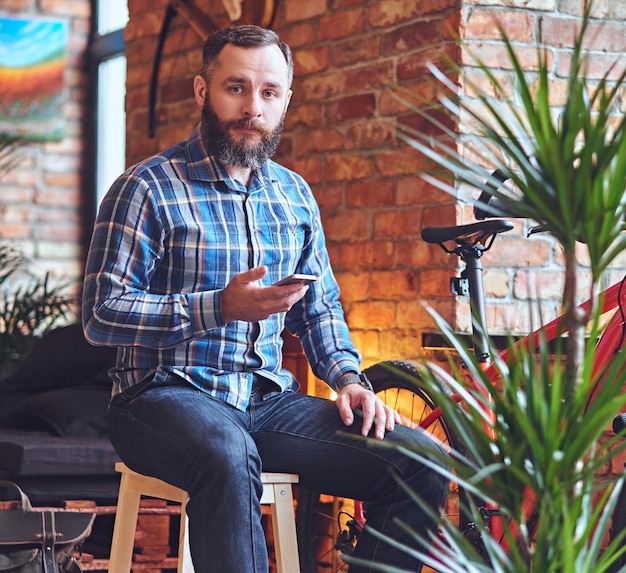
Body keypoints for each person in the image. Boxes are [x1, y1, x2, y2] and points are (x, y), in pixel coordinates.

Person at [82, 24, 447, 573]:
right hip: (158, 399)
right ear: (204, 91)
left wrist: (350, 379)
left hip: (265, 402)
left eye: (269, 92)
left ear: (285, 100)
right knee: (227, 453)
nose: (253, 106)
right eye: (237, 87)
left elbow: (318, 307)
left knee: (421, 462)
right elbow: (101, 314)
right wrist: (220, 307)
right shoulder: (147, 188)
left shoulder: (295, 195)